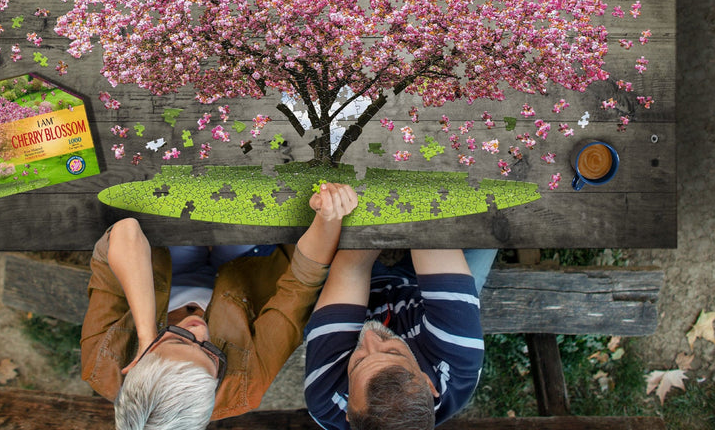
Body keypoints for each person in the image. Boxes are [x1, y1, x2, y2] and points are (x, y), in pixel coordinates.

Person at [82, 182, 358, 429]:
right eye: (213, 355)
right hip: (247, 270)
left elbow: (126, 231)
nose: (199, 331)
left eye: (180, 341)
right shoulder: (245, 387)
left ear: (138, 361)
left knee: (179, 198)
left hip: (164, 261)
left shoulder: (102, 361)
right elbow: (301, 284)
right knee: (245, 202)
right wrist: (327, 217)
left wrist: (145, 334)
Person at [303, 247, 497, 430]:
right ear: (428, 383)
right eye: (392, 351)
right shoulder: (458, 360)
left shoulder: (326, 396)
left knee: (317, 235)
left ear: (348, 411)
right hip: (420, 296)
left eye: (359, 362)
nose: (370, 337)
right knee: (486, 226)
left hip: (355, 292)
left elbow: (352, 265)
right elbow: (430, 230)